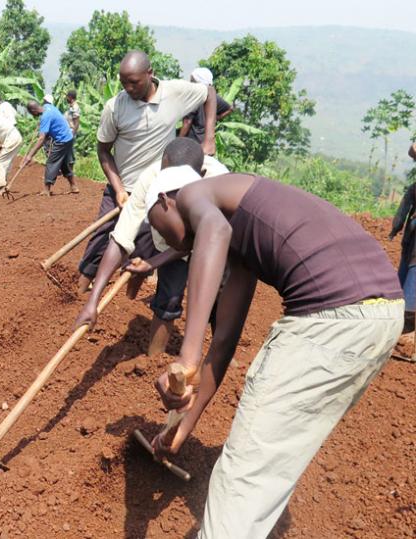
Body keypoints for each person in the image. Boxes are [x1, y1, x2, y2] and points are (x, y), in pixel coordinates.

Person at [143, 138, 403, 538]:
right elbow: (225, 343)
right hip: (379, 314)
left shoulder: (196, 192)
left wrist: (186, 355)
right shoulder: (241, 231)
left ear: (165, 200)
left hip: (331, 316)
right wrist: (183, 426)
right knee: (267, 467)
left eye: (171, 236)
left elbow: (209, 228)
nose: (182, 246)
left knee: (245, 475)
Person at [77, 50, 218, 296]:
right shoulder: (115, 107)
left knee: (144, 245)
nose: (128, 89)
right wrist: (119, 189)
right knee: (101, 240)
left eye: (134, 82)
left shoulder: (174, 93)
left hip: (154, 190)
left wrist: (209, 138)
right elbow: (103, 152)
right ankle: (77, 296)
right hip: (121, 186)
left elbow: (210, 93)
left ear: (150, 74)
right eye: (123, 83)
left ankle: (128, 297)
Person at [74, 139, 230, 357]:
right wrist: (93, 302)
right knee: (169, 296)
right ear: (163, 166)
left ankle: (219, 352)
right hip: (168, 243)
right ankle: (152, 360)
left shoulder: (219, 181)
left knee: (221, 296)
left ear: (201, 174)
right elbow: (121, 237)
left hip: (216, 243)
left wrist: (153, 262)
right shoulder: (150, 178)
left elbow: (202, 241)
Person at [387, 141, 416, 362]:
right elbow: (404, 209)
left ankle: (409, 340)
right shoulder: (414, 189)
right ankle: (403, 333)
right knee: (407, 278)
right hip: (412, 242)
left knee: (411, 286)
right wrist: (396, 228)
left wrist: (396, 228)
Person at [22, 100, 79, 196]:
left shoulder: (45, 117)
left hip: (62, 140)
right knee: (64, 164)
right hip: (69, 137)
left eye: (31, 113)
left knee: (51, 162)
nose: (32, 115)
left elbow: (41, 139)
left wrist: (29, 156)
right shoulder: (48, 106)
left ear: (33, 110)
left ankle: (46, 190)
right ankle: (74, 186)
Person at [179, 67, 233, 144]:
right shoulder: (213, 97)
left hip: (192, 142)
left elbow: (187, 122)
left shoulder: (193, 97)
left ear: (196, 81)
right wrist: (214, 118)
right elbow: (230, 108)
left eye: (192, 80)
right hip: (206, 142)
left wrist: (178, 141)